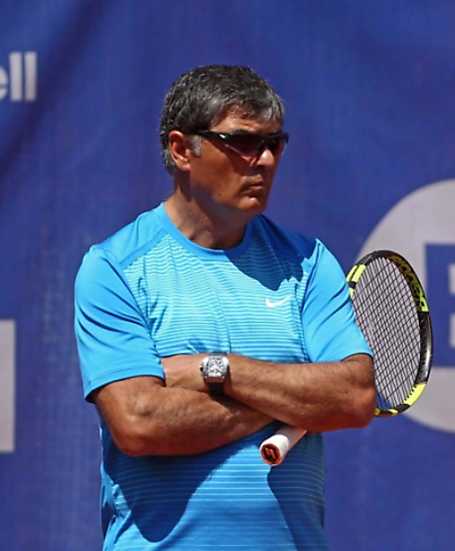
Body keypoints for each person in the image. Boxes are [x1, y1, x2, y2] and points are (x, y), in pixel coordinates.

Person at [73, 65, 375, 550]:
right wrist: (289, 397)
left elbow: (355, 397)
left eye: (274, 143)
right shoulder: (114, 268)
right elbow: (140, 423)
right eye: (242, 142)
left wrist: (218, 370)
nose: (264, 160)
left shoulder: (309, 263)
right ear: (181, 149)